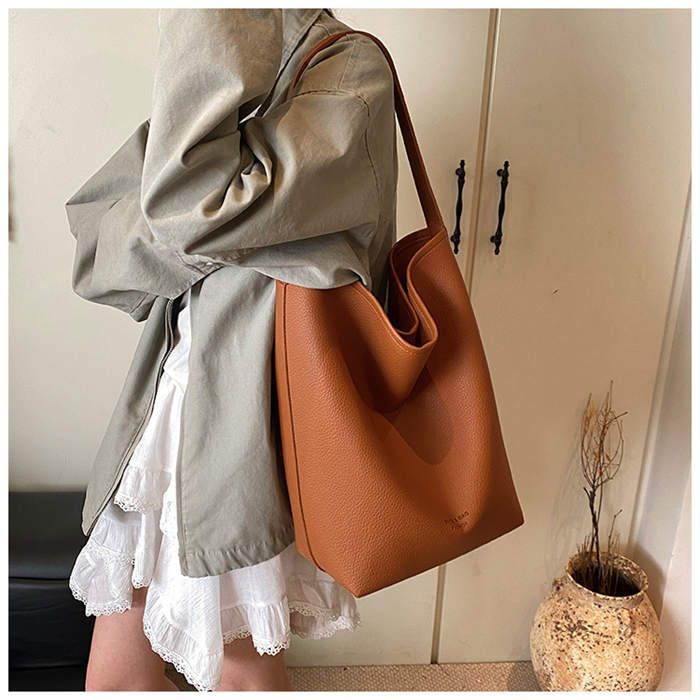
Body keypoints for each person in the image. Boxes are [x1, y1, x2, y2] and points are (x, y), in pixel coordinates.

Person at [65, 8, 398, 692]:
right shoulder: (244, 77)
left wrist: (185, 234)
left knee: (242, 668)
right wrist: (211, 236)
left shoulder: (351, 72)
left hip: (251, 424)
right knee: (116, 671)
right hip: (167, 402)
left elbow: (184, 208)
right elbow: (97, 242)